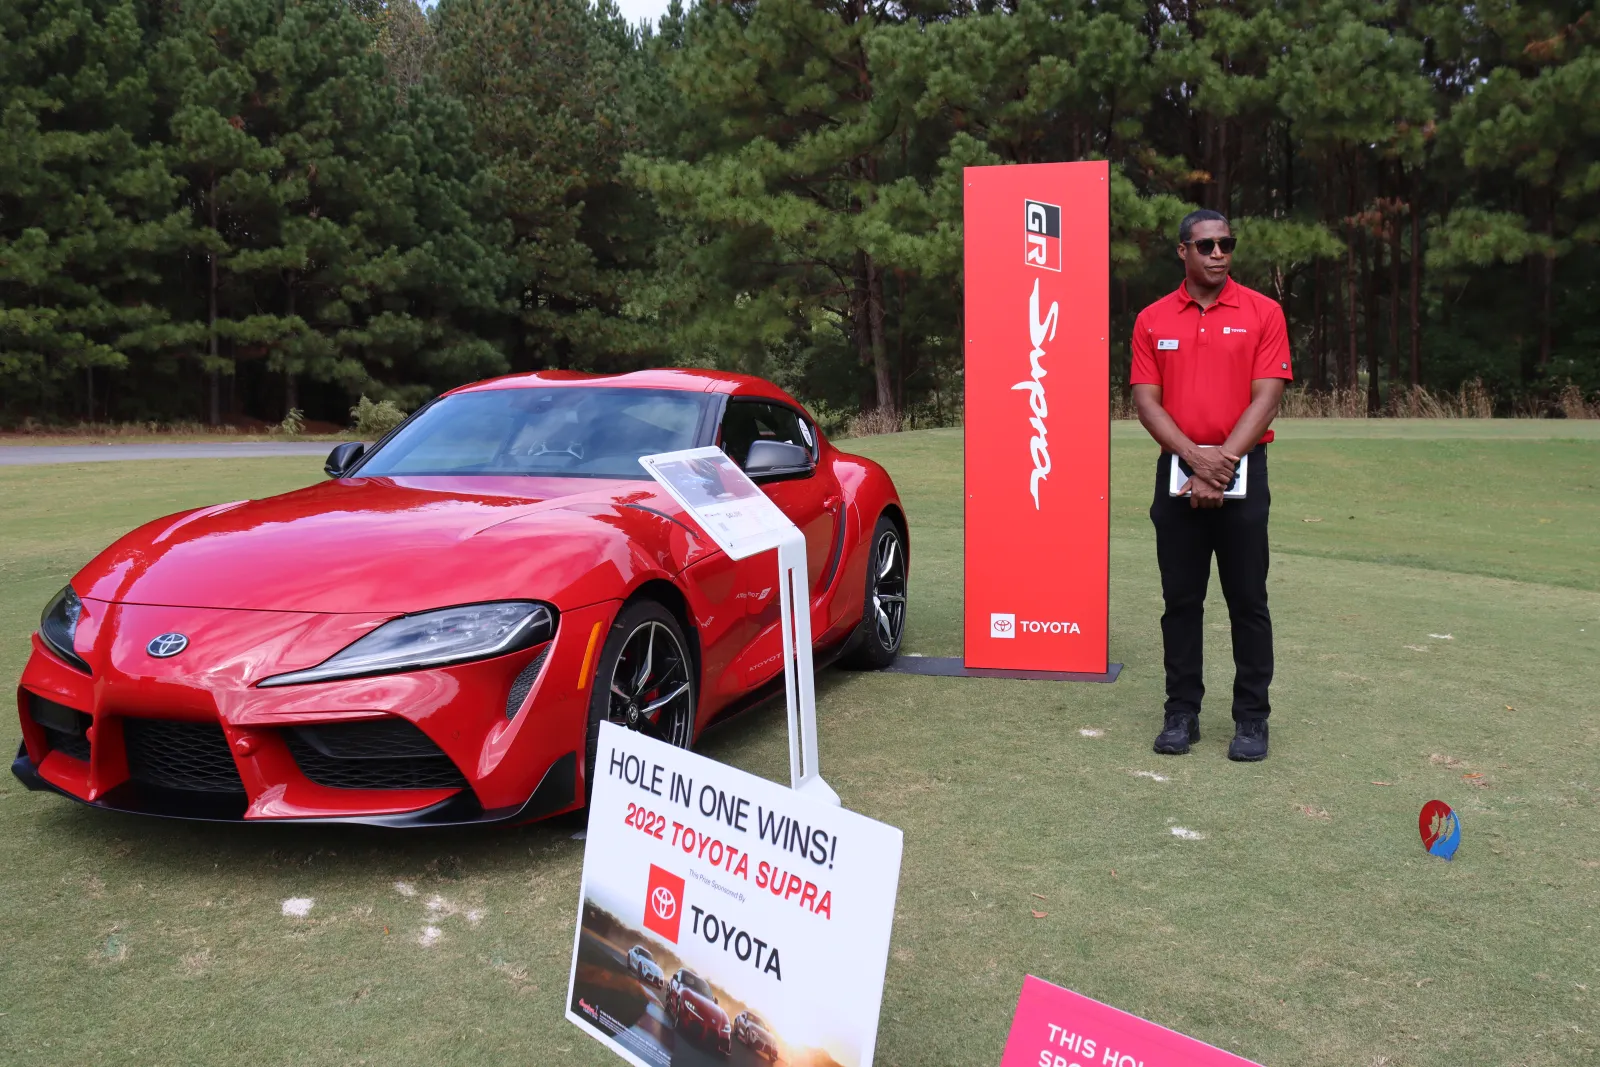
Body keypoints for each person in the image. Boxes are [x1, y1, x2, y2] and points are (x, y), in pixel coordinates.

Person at [1129, 209, 1292, 761]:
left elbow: (1267, 396)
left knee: (1248, 600)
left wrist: (1221, 460)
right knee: (1181, 600)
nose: (1218, 253)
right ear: (1183, 251)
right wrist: (1194, 459)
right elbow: (1146, 402)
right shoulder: (1152, 319)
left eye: (1227, 244)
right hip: (1178, 469)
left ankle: (1251, 719)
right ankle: (1182, 713)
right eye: (1206, 245)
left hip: (1242, 466)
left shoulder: (1263, 312)